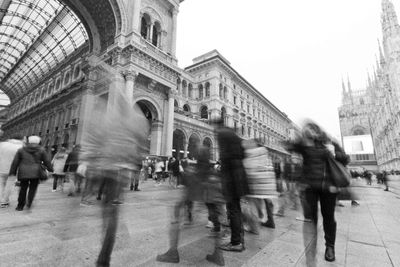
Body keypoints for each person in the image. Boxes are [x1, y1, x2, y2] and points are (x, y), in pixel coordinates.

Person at [285, 121, 349, 263]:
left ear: (318, 131)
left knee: (328, 218)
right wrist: (299, 138)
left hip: (328, 188)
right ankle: (311, 251)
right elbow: (288, 146)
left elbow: (345, 159)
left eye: (311, 129)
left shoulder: (329, 143)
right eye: (306, 129)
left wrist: (335, 152)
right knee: (310, 220)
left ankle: (330, 246)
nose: (309, 131)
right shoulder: (304, 144)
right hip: (309, 188)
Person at [215, 119, 249, 252]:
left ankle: (236, 242)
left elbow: (225, 157)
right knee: (236, 209)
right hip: (239, 178)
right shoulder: (235, 137)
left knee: (233, 210)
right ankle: (239, 238)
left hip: (232, 179)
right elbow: (243, 154)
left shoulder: (223, 134)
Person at [9, 136, 53, 211]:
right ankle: (29, 203)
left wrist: (12, 171)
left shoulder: (21, 150)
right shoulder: (41, 150)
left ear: (29, 141)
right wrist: (50, 169)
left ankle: (20, 206)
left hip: (23, 171)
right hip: (36, 172)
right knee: (33, 188)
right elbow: (47, 161)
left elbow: (15, 162)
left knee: (23, 188)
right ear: (38, 142)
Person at [0, 134, 24, 208]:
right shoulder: (21, 147)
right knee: (9, 185)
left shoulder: (2, 144)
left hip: (1, 168)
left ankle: (1, 199)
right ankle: (4, 201)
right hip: (13, 169)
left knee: (1, 184)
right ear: (21, 139)